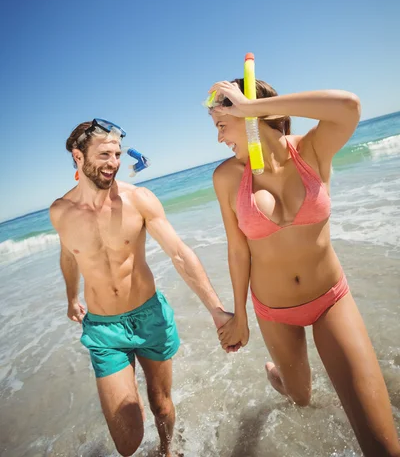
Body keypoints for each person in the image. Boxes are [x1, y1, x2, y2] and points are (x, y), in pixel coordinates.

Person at [208, 80, 400, 457]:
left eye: (220, 124)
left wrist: (251, 108)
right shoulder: (227, 177)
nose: (218, 139)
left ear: (248, 114)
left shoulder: (311, 149)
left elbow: (349, 104)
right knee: (301, 396)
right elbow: (238, 251)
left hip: (330, 300)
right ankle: (279, 377)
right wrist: (241, 316)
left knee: (382, 447)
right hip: (274, 310)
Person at [50, 118, 236, 457]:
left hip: (150, 317)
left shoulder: (140, 199)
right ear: (79, 157)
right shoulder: (61, 212)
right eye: (104, 154)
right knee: (127, 440)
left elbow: (180, 254)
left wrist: (217, 310)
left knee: (162, 406)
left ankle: (167, 450)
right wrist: (71, 297)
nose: (114, 163)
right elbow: (68, 256)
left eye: (118, 154)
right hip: (105, 330)